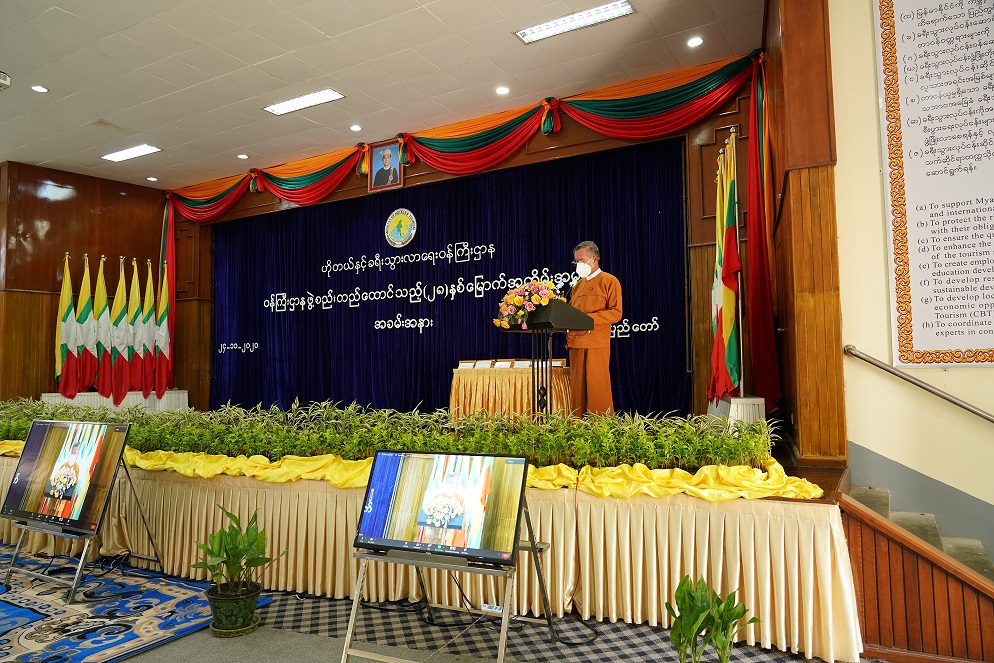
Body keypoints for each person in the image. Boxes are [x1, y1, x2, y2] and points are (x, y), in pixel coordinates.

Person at [566, 240, 622, 416]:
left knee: (597, 389)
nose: (578, 265)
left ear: (594, 259)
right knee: (577, 392)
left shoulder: (609, 281)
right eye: (576, 261)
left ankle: (600, 428)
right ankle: (577, 428)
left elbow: (616, 313)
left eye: (581, 260)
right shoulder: (577, 286)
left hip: (596, 344)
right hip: (576, 344)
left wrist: (588, 320)